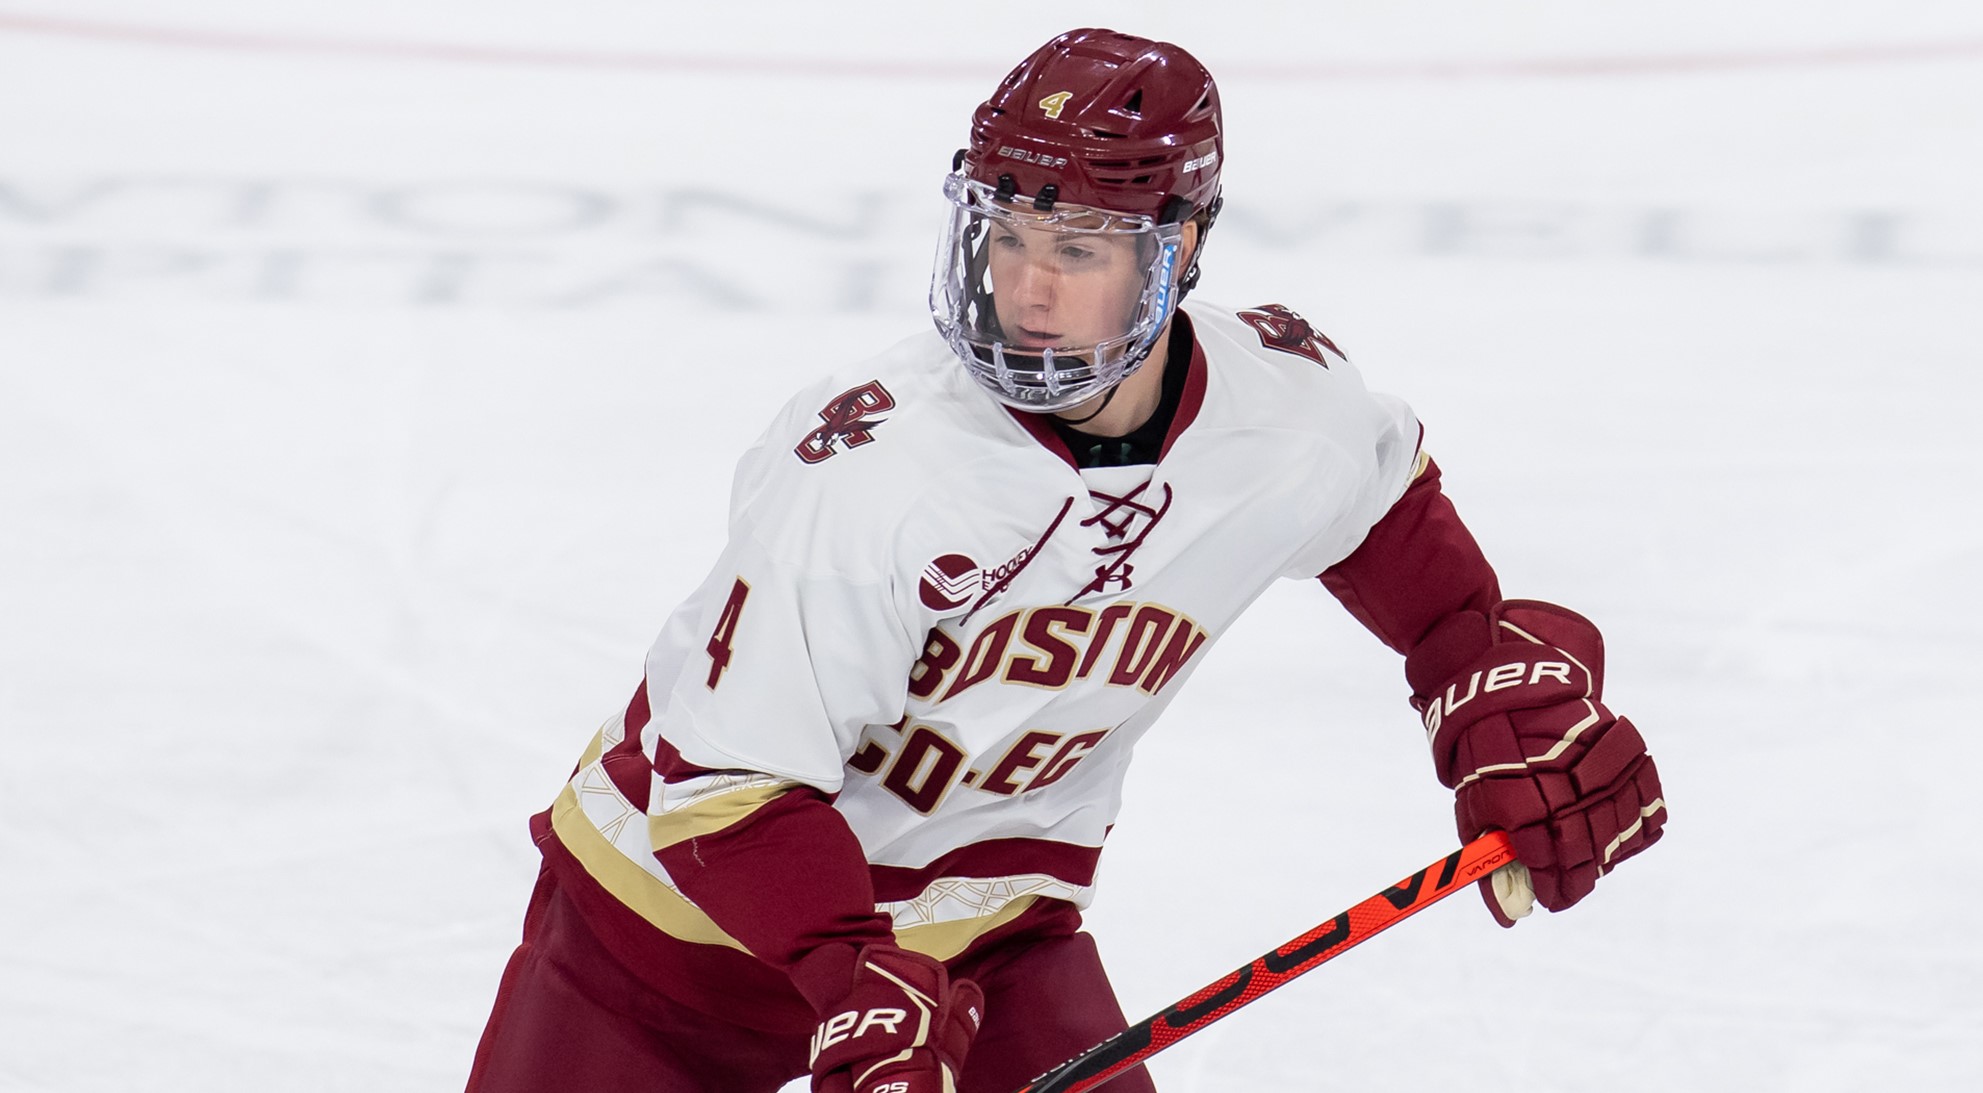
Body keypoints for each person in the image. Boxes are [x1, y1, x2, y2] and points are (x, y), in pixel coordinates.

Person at [465, 27, 1667, 1093]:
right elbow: (726, 789)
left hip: (983, 949)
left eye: (1082, 247)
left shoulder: (1284, 413)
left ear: (1180, 247)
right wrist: (848, 974)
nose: (1028, 289)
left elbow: (1410, 545)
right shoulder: (875, 467)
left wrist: (1490, 686)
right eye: (1012, 235)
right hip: (663, 948)